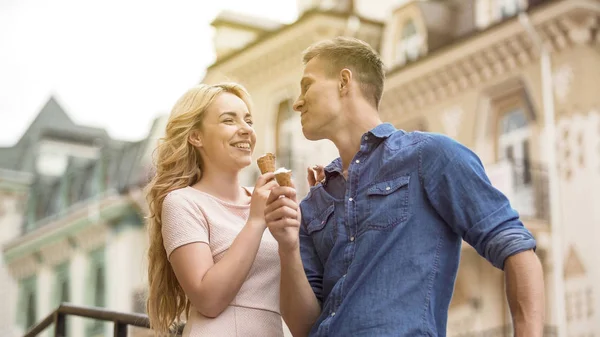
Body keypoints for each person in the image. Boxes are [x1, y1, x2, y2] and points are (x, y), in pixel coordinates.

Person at [264, 37, 545, 337]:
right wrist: (288, 246)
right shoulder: (313, 203)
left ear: (344, 82)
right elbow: (304, 326)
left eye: (307, 85)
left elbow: (517, 250)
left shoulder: (429, 155)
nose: (297, 102)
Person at [145, 83, 285, 336]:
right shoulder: (182, 203)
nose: (245, 130)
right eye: (228, 120)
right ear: (196, 136)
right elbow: (208, 300)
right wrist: (255, 222)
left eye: (249, 121)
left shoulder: (265, 198)